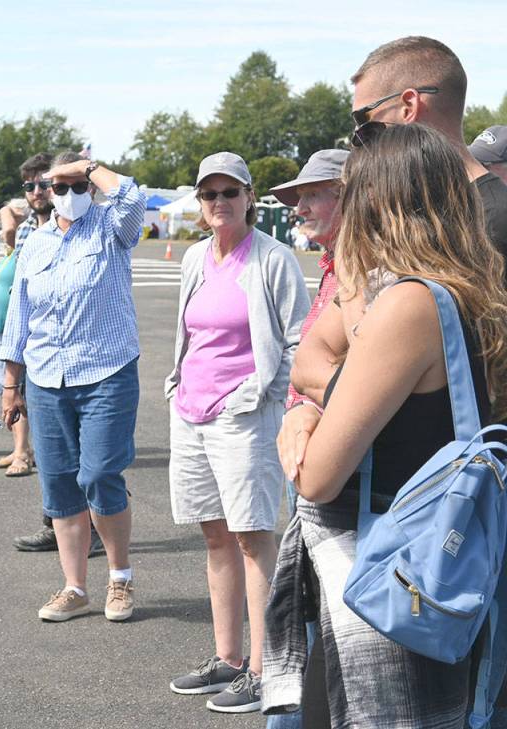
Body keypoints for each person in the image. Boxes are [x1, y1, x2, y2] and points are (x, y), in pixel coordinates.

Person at [267, 122, 507, 728]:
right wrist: (321, 402)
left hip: (393, 580)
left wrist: (311, 419)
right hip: (439, 565)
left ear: (378, 200)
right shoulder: (468, 289)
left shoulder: (406, 304)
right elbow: (307, 362)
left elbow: (317, 478)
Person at [164, 152, 308, 713]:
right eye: (209, 195)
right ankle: (227, 656)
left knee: (252, 537)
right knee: (215, 536)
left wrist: (270, 397)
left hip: (243, 416)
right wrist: (177, 386)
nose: (219, 204)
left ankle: (265, 668)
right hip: (192, 411)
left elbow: (299, 338)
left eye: (229, 193)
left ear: (250, 197)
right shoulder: (196, 256)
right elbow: (189, 331)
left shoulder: (272, 259)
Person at [0, 152, 145, 623]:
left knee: (101, 475)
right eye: (56, 187)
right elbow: (19, 314)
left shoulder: (110, 228)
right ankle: (74, 586)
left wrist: (87, 168)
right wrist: (10, 382)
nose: (67, 196)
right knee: (60, 483)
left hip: (106, 371)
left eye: (77, 186)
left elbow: (132, 195)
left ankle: (119, 578)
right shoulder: (35, 243)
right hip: (46, 376)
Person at [261, 148, 348, 729]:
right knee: (303, 613)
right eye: (297, 199)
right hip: (308, 456)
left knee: (322, 623)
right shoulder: (330, 264)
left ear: (351, 195)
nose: (300, 208)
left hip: (335, 463)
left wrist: (307, 408)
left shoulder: (365, 272)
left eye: (313, 194)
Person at [348, 36, 507, 254]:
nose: (358, 140)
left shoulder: (496, 220)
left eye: (364, 121)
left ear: (408, 107)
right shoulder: (416, 217)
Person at [0, 155, 53, 479]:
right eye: (30, 186)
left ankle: (30, 454)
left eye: (44, 183)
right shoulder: (27, 228)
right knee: (12, 392)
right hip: (17, 321)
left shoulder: (68, 224)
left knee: (35, 396)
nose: (37, 191)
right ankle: (20, 450)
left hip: (46, 327)